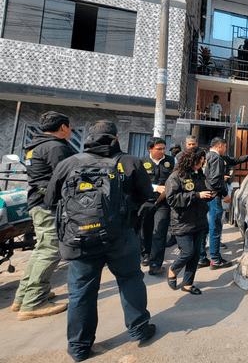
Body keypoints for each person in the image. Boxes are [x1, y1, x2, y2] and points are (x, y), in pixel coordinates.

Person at [44, 120, 155, 362]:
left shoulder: (69, 163)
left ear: (87, 138)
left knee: (82, 292)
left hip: (79, 238)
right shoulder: (130, 161)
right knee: (130, 280)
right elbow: (147, 196)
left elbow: (51, 200)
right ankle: (138, 329)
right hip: (122, 237)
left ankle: (79, 347)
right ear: (116, 138)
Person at [11, 111, 74, 320]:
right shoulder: (56, 147)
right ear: (63, 127)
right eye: (69, 127)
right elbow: (67, 178)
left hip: (38, 202)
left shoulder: (37, 146)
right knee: (50, 250)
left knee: (41, 249)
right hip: (48, 206)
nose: (71, 131)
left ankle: (23, 296)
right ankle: (33, 302)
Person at [199, 137, 248, 268]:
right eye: (225, 147)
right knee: (215, 228)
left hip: (206, 196)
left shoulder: (207, 157)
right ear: (220, 146)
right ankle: (215, 259)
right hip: (214, 197)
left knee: (204, 228)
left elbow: (209, 176)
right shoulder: (216, 158)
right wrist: (225, 194)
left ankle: (201, 257)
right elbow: (215, 181)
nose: (225, 149)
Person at [165, 147, 214, 295]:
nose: (201, 164)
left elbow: (203, 192)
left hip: (199, 220)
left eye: (202, 162)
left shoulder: (200, 175)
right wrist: (197, 195)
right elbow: (172, 199)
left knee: (195, 254)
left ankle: (187, 284)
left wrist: (210, 195)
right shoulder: (176, 176)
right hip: (182, 221)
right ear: (190, 160)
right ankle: (173, 269)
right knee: (187, 252)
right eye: (199, 162)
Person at [138, 137, 175, 275]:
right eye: (159, 149)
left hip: (163, 202)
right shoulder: (142, 162)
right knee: (145, 230)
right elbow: (139, 182)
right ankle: (145, 254)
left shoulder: (170, 161)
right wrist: (155, 187)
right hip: (146, 201)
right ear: (150, 149)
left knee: (160, 232)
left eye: (164, 148)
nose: (162, 151)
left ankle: (155, 264)